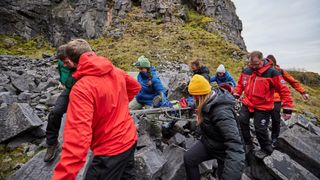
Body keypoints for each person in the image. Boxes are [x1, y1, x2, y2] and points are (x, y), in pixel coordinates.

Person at [53, 39, 141, 179]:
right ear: (91, 52)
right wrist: (118, 106)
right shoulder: (116, 71)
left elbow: (78, 140)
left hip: (109, 151)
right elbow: (135, 86)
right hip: (129, 138)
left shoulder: (81, 89)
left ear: (72, 60)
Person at [184, 75, 245, 180]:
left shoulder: (221, 112)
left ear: (201, 95)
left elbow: (235, 145)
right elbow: (197, 106)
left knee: (225, 176)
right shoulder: (205, 100)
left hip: (224, 152)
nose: (193, 99)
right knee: (189, 158)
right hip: (209, 143)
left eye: (194, 96)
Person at [233, 51, 293, 156]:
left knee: (260, 128)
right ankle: (248, 144)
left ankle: (266, 149)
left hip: (263, 106)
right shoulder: (247, 71)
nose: (254, 67)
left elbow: (284, 90)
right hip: (248, 103)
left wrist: (287, 108)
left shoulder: (272, 73)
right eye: (252, 64)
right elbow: (240, 85)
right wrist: (236, 94)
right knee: (241, 121)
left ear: (262, 60)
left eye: (257, 64)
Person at [44, 44, 77, 162]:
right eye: (61, 61)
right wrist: (61, 82)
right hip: (68, 91)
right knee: (55, 113)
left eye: (66, 61)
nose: (63, 64)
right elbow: (61, 74)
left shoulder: (81, 62)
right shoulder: (61, 62)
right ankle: (52, 143)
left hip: (83, 92)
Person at [267, 54, 309, 142]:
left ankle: (274, 138)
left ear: (274, 64)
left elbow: (293, 82)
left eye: (271, 65)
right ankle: (264, 138)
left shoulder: (281, 71)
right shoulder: (262, 71)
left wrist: (303, 92)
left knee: (275, 118)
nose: (269, 67)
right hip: (264, 99)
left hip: (276, 99)